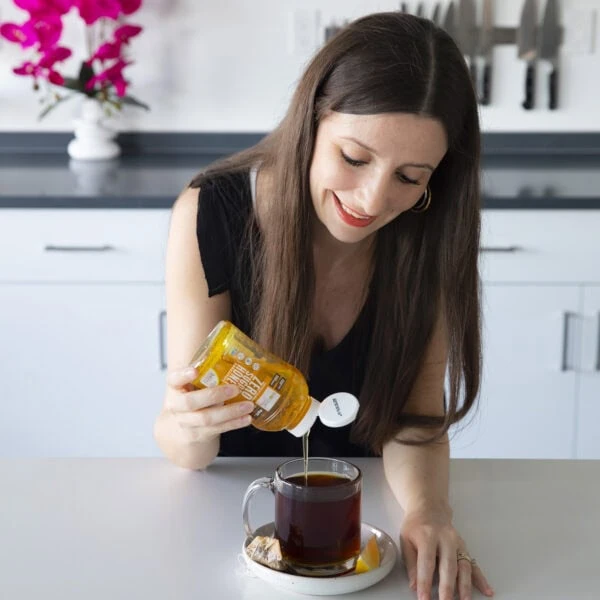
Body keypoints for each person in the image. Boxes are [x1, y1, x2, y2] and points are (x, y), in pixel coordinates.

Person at [154, 11, 494, 600]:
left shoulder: (429, 231)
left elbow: (415, 422)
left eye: (410, 176)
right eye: (355, 158)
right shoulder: (214, 212)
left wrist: (427, 514)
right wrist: (188, 425)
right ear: (311, 122)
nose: (373, 199)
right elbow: (187, 447)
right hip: (228, 531)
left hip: (366, 538)